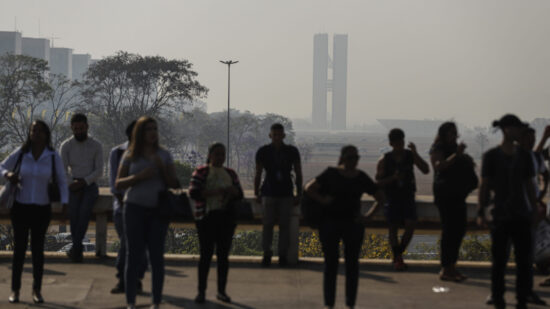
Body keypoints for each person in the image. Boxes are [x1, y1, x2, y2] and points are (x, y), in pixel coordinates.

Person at [305, 145, 384, 309]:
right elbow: (309, 188)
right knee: (331, 265)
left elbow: (380, 197)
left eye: (356, 158)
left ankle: (350, 303)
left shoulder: (361, 177)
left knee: (352, 266)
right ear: (342, 158)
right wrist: (323, 201)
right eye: (350, 158)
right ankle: (330, 303)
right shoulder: (331, 173)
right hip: (330, 223)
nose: (353, 161)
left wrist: (368, 216)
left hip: (352, 224)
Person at [1, 120, 69, 304]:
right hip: (21, 207)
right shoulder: (22, 153)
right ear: (29, 133)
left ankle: (36, 290)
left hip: (42, 208)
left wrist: (64, 204)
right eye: (33, 130)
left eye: (39, 131)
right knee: (20, 251)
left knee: (38, 251)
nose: (36, 134)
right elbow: (2, 166)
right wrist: (8, 175)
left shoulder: (52, 156)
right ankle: (15, 290)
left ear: (46, 134)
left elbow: (62, 181)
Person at [115, 116, 179, 309]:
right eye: (148, 129)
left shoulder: (164, 155)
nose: (153, 133)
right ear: (140, 133)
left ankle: (156, 302)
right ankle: (131, 302)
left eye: (155, 129)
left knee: (157, 257)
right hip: (134, 208)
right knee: (133, 256)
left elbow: (175, 184)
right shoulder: (130, 155)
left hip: (157, 211)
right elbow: (118, 184)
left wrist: (162, 168)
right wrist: (138, 177)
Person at [478, 114, 538, 309]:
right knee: (499, 262)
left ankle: (521, 300)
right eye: (517, 128)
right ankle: (498, 298)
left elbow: (528, 184)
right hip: (501, 215)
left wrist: (534, 208)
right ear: (507, 129)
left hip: (521, 214)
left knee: (523, 262)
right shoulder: (492, 156)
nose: (520, 132)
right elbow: (484, 186)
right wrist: (481, 211)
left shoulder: (524, 156)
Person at [189, 143, 244, 304]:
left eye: (222, 154)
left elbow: (239, 193)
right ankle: (201, 292)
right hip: (206, 218)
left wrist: (232, 192)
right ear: (210, 155)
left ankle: (221, 291)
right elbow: (193, 192)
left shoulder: (230, 173)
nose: (220, 157)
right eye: (217, 154)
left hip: (226, 218)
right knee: (205, 256)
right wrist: (214, 192)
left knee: (223, 257)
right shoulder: (202, 172)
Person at [430, 122, 478, 282]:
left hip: (458, 195)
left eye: (455, 133)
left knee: (459, 230)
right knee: (449, 231)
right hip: (446, 195)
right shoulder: (438, 148)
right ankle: (446, 268)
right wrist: (456, 155)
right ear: (443, 134)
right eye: (450, 133)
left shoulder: (456, 149)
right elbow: (438, 166)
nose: (453, 136)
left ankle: (452, 267)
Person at [376, 128, 429, 270]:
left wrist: (415, 152)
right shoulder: (385, 159)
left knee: (411, 225)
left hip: (408, 196)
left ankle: (397, 255)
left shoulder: (410, 156)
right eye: (397, 142)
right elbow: (378, 183)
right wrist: (393, 178)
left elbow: (425, 169)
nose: (400, 145)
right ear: (391, 143)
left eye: (402, 142)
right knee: (392, 228)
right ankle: (398, 258)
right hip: (392, 197)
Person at [254, 123, 303, 266]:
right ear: (270, 135)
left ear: (283, 136)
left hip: (286, 192)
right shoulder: (263, 151)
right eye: (274, 135)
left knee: (284, 226)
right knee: (267, 225)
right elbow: (258, 173)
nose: (276, 137)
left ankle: (282, 255)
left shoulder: (292, 151)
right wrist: (257, 192)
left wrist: (298, 193)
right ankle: (267, 254)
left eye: (279, 135)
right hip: (268, 192)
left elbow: (298, 173)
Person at [109, 120, 148, 294]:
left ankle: (129, 279)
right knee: (130, 244)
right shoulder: (117, 153)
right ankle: (128, 279)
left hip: (144, 207)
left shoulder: (151, 154)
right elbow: (114, 185)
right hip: (123, 208)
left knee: (133, 245)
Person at [60, 113, 103, 262]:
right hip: (72, 184)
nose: (79, 131)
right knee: (74, 215)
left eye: (81, 128)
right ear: (72, 128)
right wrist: (72, 184)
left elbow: (99, 171)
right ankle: (77, 249)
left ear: (87, 127)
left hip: (90, 185)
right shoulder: (66, 146)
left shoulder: (96, 145)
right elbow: (62, 171)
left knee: (84, 213)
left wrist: (83, 182)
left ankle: (76, 248)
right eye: (76, 128)